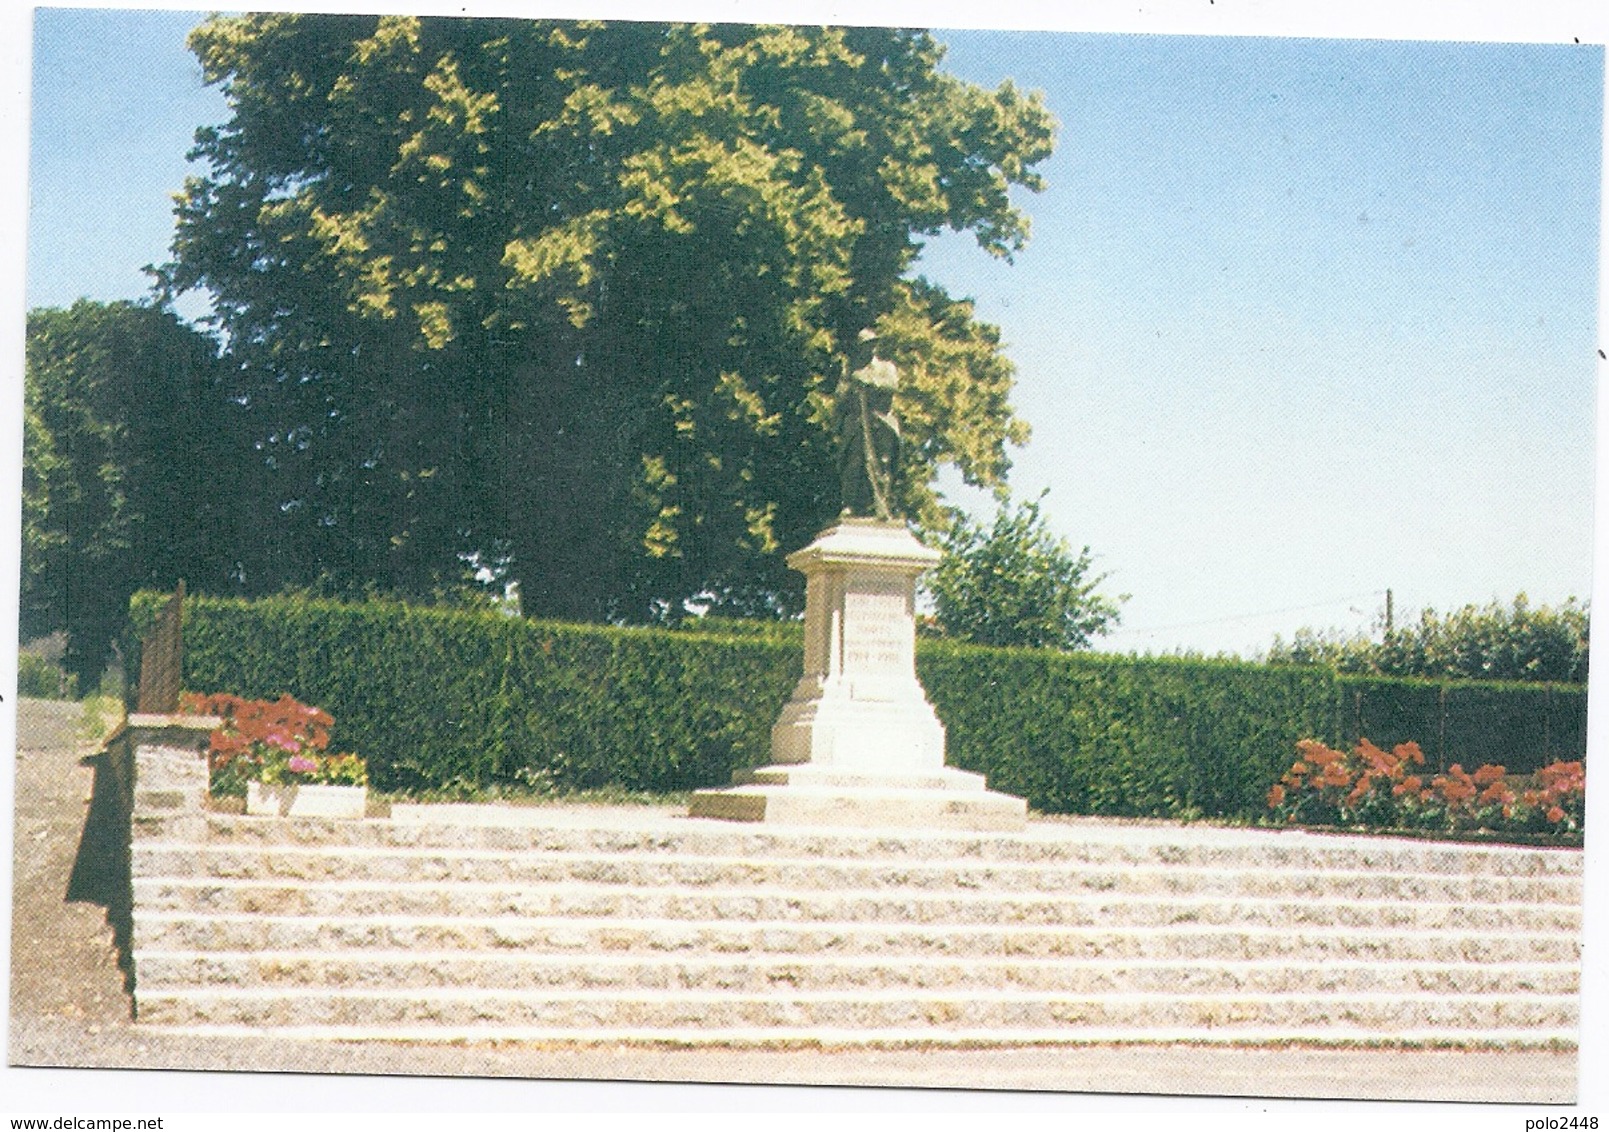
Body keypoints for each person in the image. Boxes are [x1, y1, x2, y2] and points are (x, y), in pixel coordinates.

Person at [835, 329, 901, 520]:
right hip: (857, 422)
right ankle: (850, 505)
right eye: (865, 345)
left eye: (872, 344)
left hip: (881, 421)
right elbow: (840, 397)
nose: (869, 349)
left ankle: (882, 503)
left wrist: (870, 383)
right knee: (853, 464)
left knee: (883, 463)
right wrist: (851, 388)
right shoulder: (850, 371)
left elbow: (892, 385)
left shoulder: (887, 367)